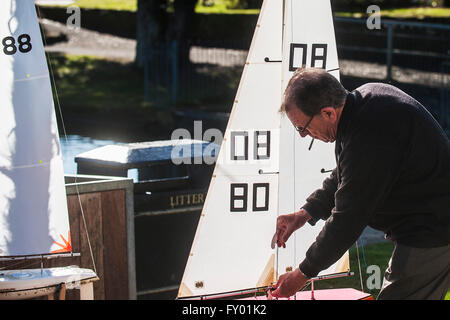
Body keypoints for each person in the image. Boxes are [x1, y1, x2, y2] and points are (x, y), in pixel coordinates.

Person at [269, 68, 450, 300]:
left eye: (302, 128)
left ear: (328, 113)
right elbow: (347, 175)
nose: (304, 136)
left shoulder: (370, 133)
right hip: (430, 221)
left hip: (434, 228)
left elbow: (347, 220)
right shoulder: (364, 103)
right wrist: (305, 214)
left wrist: (301, 274)